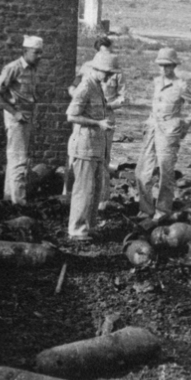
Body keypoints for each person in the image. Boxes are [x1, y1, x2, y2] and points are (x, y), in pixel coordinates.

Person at [135, 47, 191, 221]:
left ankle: (163, 210)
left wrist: (186, 123)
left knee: (166, 173)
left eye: (168, 66)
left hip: (168, 131)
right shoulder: (157, 82)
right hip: (152, 129)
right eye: (162, 65)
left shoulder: (181, 85)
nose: (165, 69)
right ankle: (146, 209)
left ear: (174, 66)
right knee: (143, 171)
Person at [64, 36, 126, 210]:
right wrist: (80, 101)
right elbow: (72, 87)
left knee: (103, 158)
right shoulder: (87, 68)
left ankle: (101, 199)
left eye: (108, 51)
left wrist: (109, 106)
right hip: (87, 116)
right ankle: (70, 196)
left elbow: (123, 97)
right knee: (79, 156)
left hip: (107, 117)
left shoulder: (116, 71)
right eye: (101, 52)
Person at [66, 50, 117, 241]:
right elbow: (72, 115)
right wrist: (98, 124)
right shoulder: (86, 86)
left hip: (96, 147)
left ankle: (89, 226)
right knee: (84, 190)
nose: (109, 76)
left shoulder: (97, 86)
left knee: (95, 190)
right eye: (107, 72)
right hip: (84, 147)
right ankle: (77, 230)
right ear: (97, 69)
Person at [0, 35, 43, 205]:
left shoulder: (33, 68)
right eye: (36, 52)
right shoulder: (13, 68)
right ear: (25, 51)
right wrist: (15, 113)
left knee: (15, 160)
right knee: (19, 162)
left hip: (27, 119)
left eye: (41, 52)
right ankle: (20, 204)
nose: (40, 56)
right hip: (17, 121)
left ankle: (8, 199)